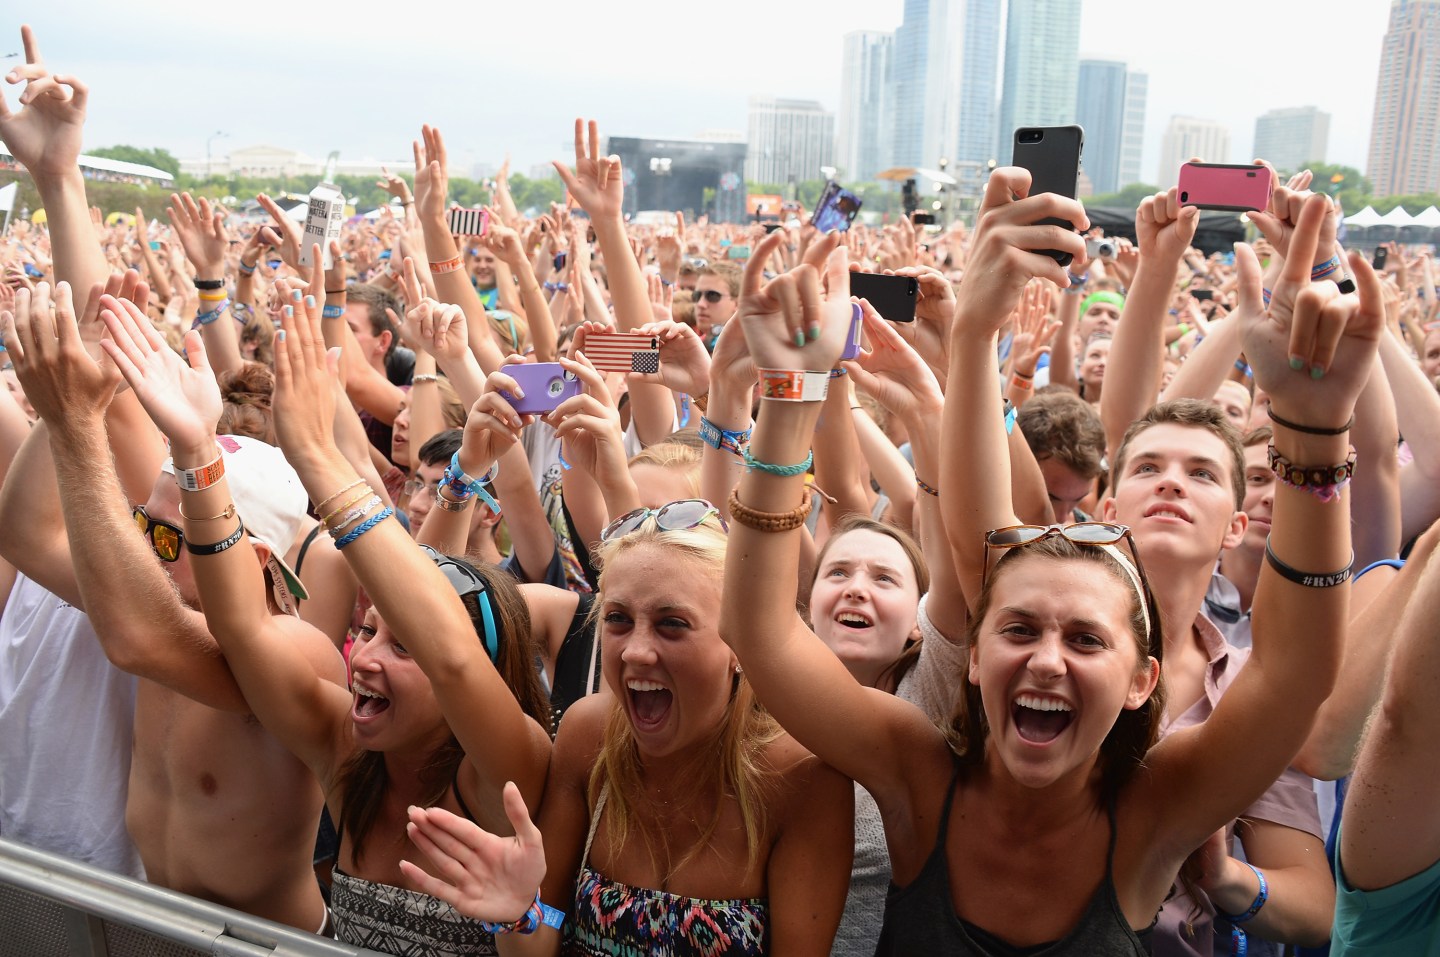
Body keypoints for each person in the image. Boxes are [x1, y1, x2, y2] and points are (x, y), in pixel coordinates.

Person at [719, 180, 1380, 953]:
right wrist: (790, 394)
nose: (1045, 660)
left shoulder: (1150, 816)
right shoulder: (917, 777)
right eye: (1020, 628)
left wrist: (1314, 433)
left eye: (1087, 640)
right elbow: (760, 631)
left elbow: (1296, 671)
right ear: (973, 661)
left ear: (1144, 678)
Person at [98, 262, 552, 954]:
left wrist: (315, 454)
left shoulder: (502, 771)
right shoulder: (346, 754)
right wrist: (196, 455)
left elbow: (455, 657)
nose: (362, 658)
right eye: (368, 631)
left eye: (404, 648)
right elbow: (244, 628)